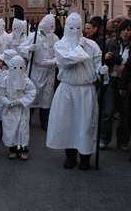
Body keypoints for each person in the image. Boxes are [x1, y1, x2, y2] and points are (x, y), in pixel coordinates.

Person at [46, 12, 108, 171]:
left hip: (85, 91)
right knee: (69, 124)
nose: (75, 31)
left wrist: (101, 70)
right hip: (68, 90)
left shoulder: (92, 45)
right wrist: (80, 46)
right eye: (71, 27)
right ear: (67, 27)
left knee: (85, 125)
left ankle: (86, 157)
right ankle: (70, 156)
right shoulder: (60, 45)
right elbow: (67, 61)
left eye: (78, 27)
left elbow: (96, 63)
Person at [19, 14, 59, 131]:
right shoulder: (33, 36)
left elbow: (60, 53)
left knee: (46, 97)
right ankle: (27, 119)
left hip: (48, 71)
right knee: (32, 95)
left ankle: (44, 121)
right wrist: (28, 49)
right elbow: (21, 48)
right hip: (35, 71)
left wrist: (52, 62)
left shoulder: (55, 38)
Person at [0, 55, 36, 160]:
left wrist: (21, 101)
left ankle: (23, 149)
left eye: (20, 68)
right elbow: (0, 94)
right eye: (15, 68)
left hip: (22, 109)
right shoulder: (5, 80)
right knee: (11, 130)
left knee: (22, 130)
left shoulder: (26, 81)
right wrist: (7, 102)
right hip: (10, 109)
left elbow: (31, 93)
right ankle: (12, 149)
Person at [100, 19, 131, 151]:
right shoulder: (110, 43)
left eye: (128, 30)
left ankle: (123, 140)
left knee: (126, 113)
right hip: (112, 81)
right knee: (108, 111)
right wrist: (106, 58)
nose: (125, 32)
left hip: (127, 83)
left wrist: (127, 68)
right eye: (123, 29)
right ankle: (104, 138)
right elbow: (99, 62)